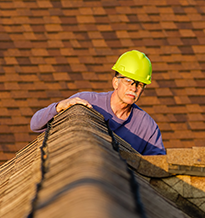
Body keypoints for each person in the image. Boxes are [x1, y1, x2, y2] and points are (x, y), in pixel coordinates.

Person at [30, 50, 166, 155]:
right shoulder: (86, 102)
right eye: (129, 81)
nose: (134, 88)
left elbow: (159, 167)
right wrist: (59, 106)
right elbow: (35, 124)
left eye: (140, 84)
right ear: (115, 82)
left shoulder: (147, 127)